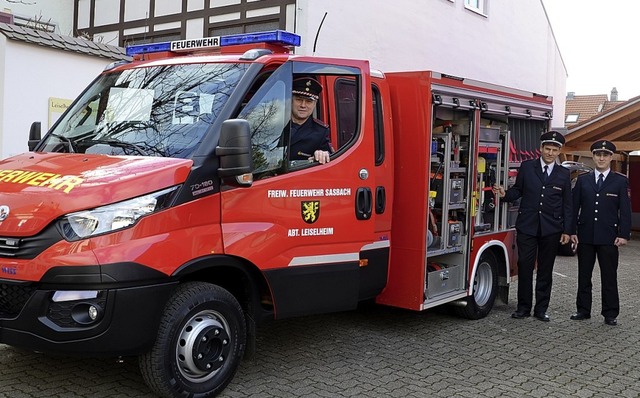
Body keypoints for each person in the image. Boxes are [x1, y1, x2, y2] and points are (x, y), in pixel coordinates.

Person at [493, 131, 572, 322]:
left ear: (559, 151)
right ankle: (523, 308)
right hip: (527, 226)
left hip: (551, 229)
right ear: (541, 148)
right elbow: (518, 190)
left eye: (554, 150)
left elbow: (568, 204)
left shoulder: (564, 173)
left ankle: (541, 309)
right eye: (548, 149)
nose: (550, 153)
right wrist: (505, 194)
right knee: (525, 266)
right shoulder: (527, 167)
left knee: (545, 269)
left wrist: (568, 230)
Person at [569, 140, 631, 326]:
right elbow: (574, 207)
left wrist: (624, 234)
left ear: (611, 157)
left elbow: (625, 210)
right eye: (598, 155)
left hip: (609, 237)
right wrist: (572, 231)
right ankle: (583, 310)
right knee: (584, 275)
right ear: (593, 157)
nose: (601, 158)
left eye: (605, 155)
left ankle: (610, 313)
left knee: (609, 277)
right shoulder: (583, 180)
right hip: (586, 235)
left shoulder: (619, 181)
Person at [286, 77, 333, 164]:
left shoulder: (320, 132)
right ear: (291, 100)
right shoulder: (278, 124)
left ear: (314, 104)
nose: (303, 105)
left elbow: (329, 158)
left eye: (309, 101)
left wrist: (322, 155)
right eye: (299, 100)